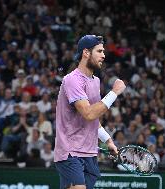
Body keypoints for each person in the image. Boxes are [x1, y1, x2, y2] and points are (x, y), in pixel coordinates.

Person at [54, 35, 126, 189]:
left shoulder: (96, 81)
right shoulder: (72, 80)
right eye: (99, 51)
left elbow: (92, 118)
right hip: (70, 152)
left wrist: (108, 140)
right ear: (86, 53)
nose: (103, 55)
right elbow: (89, 113)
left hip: (90, 153)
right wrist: (114, 92)